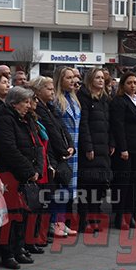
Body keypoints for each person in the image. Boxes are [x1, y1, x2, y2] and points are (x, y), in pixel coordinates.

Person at [0, 87, 42, 268]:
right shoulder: (4, 119)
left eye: (29, 102)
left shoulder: (25, 119)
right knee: (11, 216)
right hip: (9, 174)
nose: (29, 106)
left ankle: (19, 248)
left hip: (24, 174)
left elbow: (36, 145)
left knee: (23, 214)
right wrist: (29, 170)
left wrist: (37, 168)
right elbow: (9, 150)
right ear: (14, 103)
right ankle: (8, 253)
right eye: (25, 102)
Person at [28, 77, 76, 238]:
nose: (52, 92)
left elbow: (62, 128)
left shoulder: (50, 107)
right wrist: (63, 149)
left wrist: (70, 145)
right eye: (48, 89)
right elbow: (52, 133)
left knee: (61, 190)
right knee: (53, 193)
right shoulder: (39, 110)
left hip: (61, 154)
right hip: (52, 155)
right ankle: (52, 224)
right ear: (38, 90)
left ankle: (60, 222)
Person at [77, 68, 112, 232]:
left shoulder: (104, 98)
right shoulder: (84, 97)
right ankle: (84, 220)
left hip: (103, 147)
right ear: (90, 79)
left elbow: (108, 123)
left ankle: (95, 217)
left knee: (99, 185)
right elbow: (83, 125)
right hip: (91, 149)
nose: (100, 80)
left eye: (102, 78)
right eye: (97, 77)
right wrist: (88, 147)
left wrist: (111, 143)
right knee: (87, 186)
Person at [109, 72, 136, 228]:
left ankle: (130, 213)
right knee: (122, 183)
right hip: (125, 149)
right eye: (129, 82)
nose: (133, 85)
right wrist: (122, 148)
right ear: (123, 85)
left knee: (134, 183)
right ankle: (120, 215)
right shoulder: (119, 102)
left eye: (135, 83)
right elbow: (118, 126)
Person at [52, 67, 81, 234]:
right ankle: (56, 222)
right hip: (62, 149)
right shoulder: (57, 100)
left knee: (69, 189)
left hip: (74, 149)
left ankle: (62, 222)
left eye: (73, 77)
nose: (72, 81)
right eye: (68, 78)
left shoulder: (74, 99)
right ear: (60, 80)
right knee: (61, 187)